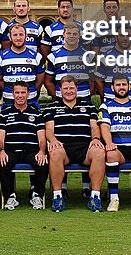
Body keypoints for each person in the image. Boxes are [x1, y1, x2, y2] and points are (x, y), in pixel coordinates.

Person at [45, 76, 106, 212]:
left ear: (77, 89)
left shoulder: (89, 106)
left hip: (84, 147)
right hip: (63, 147)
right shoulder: (52, 107)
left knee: (99, 152)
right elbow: (49, 130)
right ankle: (57, 197)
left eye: (72, 88)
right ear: (60, 90)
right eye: (65, 88)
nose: (69, 91)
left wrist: (96, 138)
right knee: (54, 152)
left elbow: (95, 127)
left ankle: (95, 197)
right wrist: (53, 140)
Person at [99, 75, 131, 212]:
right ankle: (114, 199)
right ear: (112, 88)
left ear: (129, 87)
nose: (121, 87)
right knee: (110, 155)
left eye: (124, 85)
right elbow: (104, 126)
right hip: (118, 149)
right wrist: (109, 143)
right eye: (118, 85)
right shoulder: (106, 106)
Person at [0, 82, 48, 210]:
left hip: (31, 151)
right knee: (2, 162)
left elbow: (42, 137)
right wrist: (1, 151)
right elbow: (0, 137)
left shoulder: (36, 113)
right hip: (11, 150)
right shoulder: (5, 113)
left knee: (43, 163)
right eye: (17, 92)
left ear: (28, 94)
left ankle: (37, 195)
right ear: (13, 94)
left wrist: (42, 151)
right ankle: (10, 197)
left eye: (23, 92)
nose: (20, 96)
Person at [94, 33, 131, 109]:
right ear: (116, 37)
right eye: (121, 35)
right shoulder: (104, 57)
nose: (125, 38)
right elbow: (98, 81)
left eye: (128, 35)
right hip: (110, 100)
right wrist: (106, 94)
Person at [0, 23, 45, 105]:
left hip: (31, 102)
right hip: (9, 102)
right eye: (15, 35)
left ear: (26, 36)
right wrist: (9, 91)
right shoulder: (0, 57)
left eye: (21, 35)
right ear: (10, 37)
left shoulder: (37, 57)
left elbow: (40, 80)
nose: (18, 38)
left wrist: (30, 91)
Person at [44, 21, 93, 102]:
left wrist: (87, 95)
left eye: (74, 34)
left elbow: (93, 81)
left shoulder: (88, 56)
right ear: (64, 34)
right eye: (68, 33)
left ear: (79, 35)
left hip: (84, 98)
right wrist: (57, 96)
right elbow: (48, 81)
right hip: (61, 99)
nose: (71, 36)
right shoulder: (53, 56)